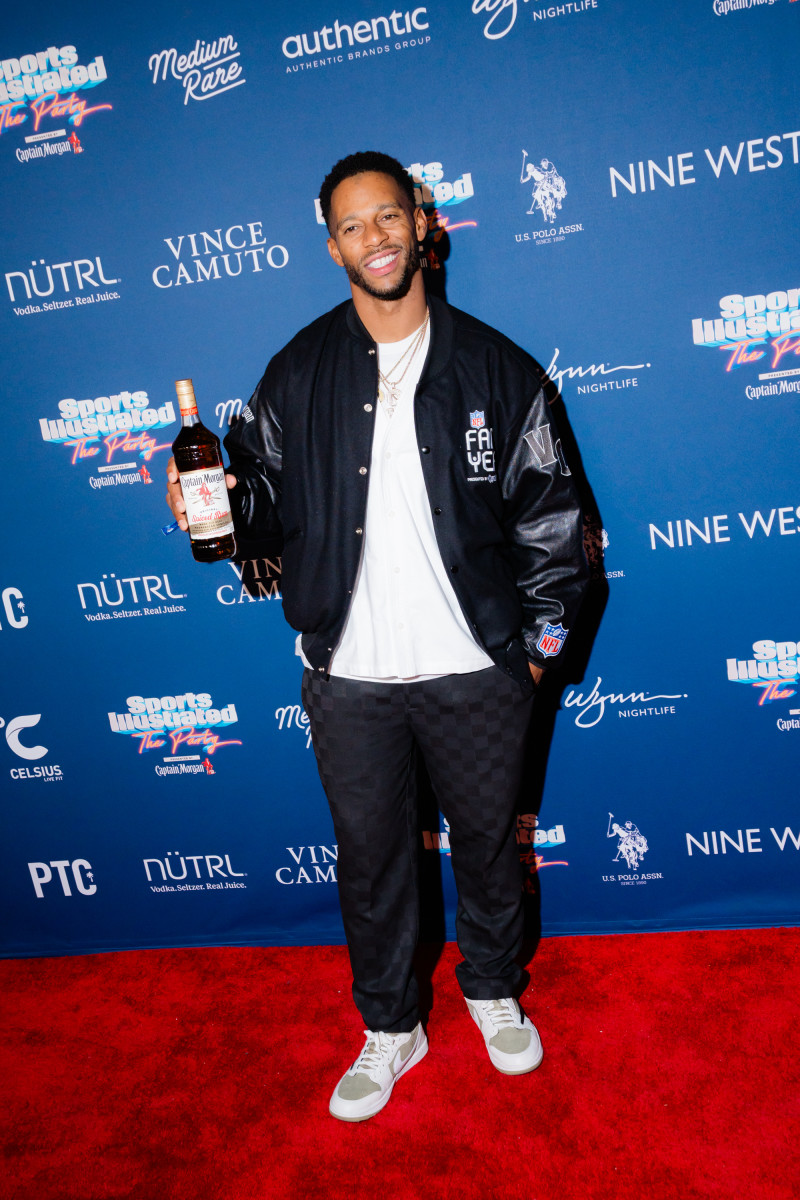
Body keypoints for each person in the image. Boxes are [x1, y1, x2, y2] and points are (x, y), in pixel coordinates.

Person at [166, 151, 588, 1122]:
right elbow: (256, 502)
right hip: (350, 675)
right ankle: (392, 1026)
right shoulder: (298, 369)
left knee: (488, 847)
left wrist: (532, 658)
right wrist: (216, 502)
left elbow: (553, 523)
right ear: (333, 247)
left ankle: (492, 988)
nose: (376, 238)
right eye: (352, 225)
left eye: (389, 216)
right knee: (370, 860)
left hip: (474, 667)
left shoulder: (497, 367)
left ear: (422, 224)